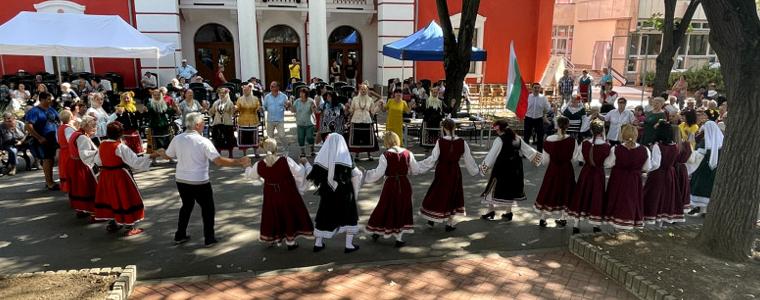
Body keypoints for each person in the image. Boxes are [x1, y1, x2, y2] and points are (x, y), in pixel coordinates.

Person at [162, 112, 251, 246]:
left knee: (186, 206)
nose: (204, 125)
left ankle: (180, 235)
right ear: (197, 125)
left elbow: (168, 155)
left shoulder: (178, 138)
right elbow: (219, 161)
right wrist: (238, 162)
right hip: (199, 181)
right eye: (203, 122)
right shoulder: (203, 141)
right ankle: (209, 238)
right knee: (208, 209)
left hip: (181, 179)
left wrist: (159, 152)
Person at [244, 138, 314, 250]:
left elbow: (250, 175)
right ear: (276, 148)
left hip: (271, 195)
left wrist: (247, 166)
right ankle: (291, 242)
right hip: (288, 193)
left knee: (273, 215)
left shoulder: (259, 165)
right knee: (289, 214)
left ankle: (272, 237)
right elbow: (300, 173)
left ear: (263, 149)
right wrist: (302, 164)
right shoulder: (286, 160)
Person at [94, 122, 162, 236]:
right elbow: (135, 161)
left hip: (106, 175)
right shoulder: (120, 147)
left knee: (111, 198)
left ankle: (114, 222)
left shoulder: (102, 145)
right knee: (125, 197)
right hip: (120, 175)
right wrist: (152, 155)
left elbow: (97, 160)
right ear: (120, 134)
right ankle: (129, 226)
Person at [418, 118, 479, 230]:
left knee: (437, 193)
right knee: (453, 195)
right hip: (455, 171)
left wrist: (418, 166)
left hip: (442, 170)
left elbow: (433, 159)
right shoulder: (462, 142)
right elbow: (469, 159)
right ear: (454, 128)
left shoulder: (440, 141)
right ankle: (449, 223)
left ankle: (432, 219)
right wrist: (477, 170)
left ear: (444, 128)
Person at [306, 133, 363, 253]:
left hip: (328, 191)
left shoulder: (322, 157)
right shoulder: (346, 157)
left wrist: (305, 163)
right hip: (345, 191)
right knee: (349, 216)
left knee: (324, 215)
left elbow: (313, 175)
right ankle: (349, 245)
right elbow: (356, 174)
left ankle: (318, 243)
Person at [363, 132, 422, 247]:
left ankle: (377, 231)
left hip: (390, 184)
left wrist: (365, 175)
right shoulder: (407, 153)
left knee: (385, 207)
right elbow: (415, 170)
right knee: (401, 208)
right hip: (404, 184)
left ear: (386, 142)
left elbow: (378, 173)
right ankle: (398, 238)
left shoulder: (385, 155)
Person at [480, 119, 540, 221]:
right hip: (516, 168)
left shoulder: (499, 140)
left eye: (496, 129)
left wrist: (483, 167)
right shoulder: (517, 138)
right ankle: (508, 212)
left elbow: (492, 155)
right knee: (510, 188)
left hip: (502, 168)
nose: (496, 131)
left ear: (499, 129)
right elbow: (528, 150)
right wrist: (538, 159)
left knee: (492, 187)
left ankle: (491, 210)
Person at [602, 124, 652, 229]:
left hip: (618, 178)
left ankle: (615, 224)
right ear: (636, 135)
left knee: (617, 199)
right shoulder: (645, 149)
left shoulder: (616, 149)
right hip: (634, 179)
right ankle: (629, 221)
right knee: (632, 200)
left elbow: (607, 164)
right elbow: (647, 167)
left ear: (623, 135)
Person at [534, 116, 578, 227]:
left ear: (557, 125)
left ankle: (543, 218)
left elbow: (545, 160)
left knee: (549, 191)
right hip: (567, 170)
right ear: (567, 126)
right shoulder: (573, 141)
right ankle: (563, 218)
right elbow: (575, 158)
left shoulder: (549, 139)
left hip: (553, 169)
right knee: (566, 192)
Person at [566, 120, 609, 234]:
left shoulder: (584, 143)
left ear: (591, 130)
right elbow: (608, 163)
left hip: (586, 172)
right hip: (598, 174)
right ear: (602, 131)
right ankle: (595, 225)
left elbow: (579, 159)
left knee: (581, 195)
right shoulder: (606, 146)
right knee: (597, 197)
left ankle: (576, 224)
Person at [643, 121, 681, 225]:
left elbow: (656, 164)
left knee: (654, 197)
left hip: (658, 174)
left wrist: (646, 169)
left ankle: (651, 219)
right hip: (670, 174)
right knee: (666, 197)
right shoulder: (675, 146)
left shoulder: (657, 146)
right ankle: (661, 222)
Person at [24, 91, 60, 190]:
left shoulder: (51, 109)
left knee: (51, 160)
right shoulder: (34, 111)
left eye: (50, 98)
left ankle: (50, 180)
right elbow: (28, 126)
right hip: (43, 139)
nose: (50, 101)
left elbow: (58, 119)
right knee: (47, 160)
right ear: (42, 99)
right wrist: (39, 137)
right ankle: (49, 183)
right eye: (48, 99)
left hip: (53, 138)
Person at [687, 121, 723, 217]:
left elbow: (698, 155)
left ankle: (703, 209)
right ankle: (705, 210)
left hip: (702, 169)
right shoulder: (721, 141)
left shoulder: (705, 142)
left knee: (701, 187)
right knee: (708, 188)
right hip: (714, 170)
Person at [67, 116, 99, 219]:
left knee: (78, 187)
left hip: (74, 163)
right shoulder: (82, 137)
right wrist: (99, 151)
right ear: (86, 126)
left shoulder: (76, 134)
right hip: (81, 165)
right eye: (93, 126)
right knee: (87, 187)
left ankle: (81, 209)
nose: (95, 128)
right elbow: (85, 154)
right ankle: (93, 213)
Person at [348, 83, 381, 158]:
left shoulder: (370, 99)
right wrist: (348, 109)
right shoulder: (355, 99)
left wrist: (378, 106)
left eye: (365, 89)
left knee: (368, 138)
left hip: (367, 120)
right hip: (356, 120)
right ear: (359, 90)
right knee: (357, 138)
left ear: (367, 90)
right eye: (362, 89)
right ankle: (357, 154)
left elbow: (372, 111)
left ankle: (369, 154)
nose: (363, 90)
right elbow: (351, 110)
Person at [209, 88, 236, 158]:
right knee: (218, 139)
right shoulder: (216, 102)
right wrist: (208, 109)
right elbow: (211, 112)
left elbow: (232, 114)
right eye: (220, 93)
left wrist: (233, 109)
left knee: (229, 139)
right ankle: (218, 154)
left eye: (223, 93)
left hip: (227, 123)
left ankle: (230, 153)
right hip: (217, 123)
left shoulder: (230, 103)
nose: (222, 94)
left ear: (226, 94)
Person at [236, 83, 262, 157]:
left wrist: (259, 109)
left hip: (253, 119)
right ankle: (244, 154)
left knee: (254, 137)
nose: (245, 91)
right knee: (244, 138)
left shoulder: (255, 99)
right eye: (244, 90)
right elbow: (237, 108)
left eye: (247, 90)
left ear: (250, 90)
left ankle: (256, 152)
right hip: (243, 120)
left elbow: (258, 107)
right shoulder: (240, 99)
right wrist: (236, 109)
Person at [524, 83, 551, 152]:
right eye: (535, 88)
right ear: (532, 89)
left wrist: (544, 113)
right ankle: (525, 152)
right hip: (528, 118)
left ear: (540, 89)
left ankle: (539, 152)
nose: (536, 89)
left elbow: (547, 108)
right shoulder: (528, 97)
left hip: (538, 119)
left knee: (540, 136)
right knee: (526, 136)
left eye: (538, 88)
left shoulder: (543, 98)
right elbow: (523, 106)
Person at [291, 87, 317, 157]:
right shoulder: (297, 101)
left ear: (306, 94)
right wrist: (290, 104)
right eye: (300, 93)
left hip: (309, 123)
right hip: (300, 123)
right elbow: (293, 110)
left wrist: (313, 107)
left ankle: (312, 150)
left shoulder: (310, 101)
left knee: (309, 137)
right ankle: (302, 152)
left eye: (303, 93)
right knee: (300, 138)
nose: (301, 94)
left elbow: (314, 111)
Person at [56, 110, 77, 193]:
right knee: (70, 168)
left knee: (65, 168)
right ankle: (73, 188)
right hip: (68, 151)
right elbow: (71, 140)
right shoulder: (68, 128)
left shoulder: (61, 127)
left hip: (63, 151)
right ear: (71, 117)